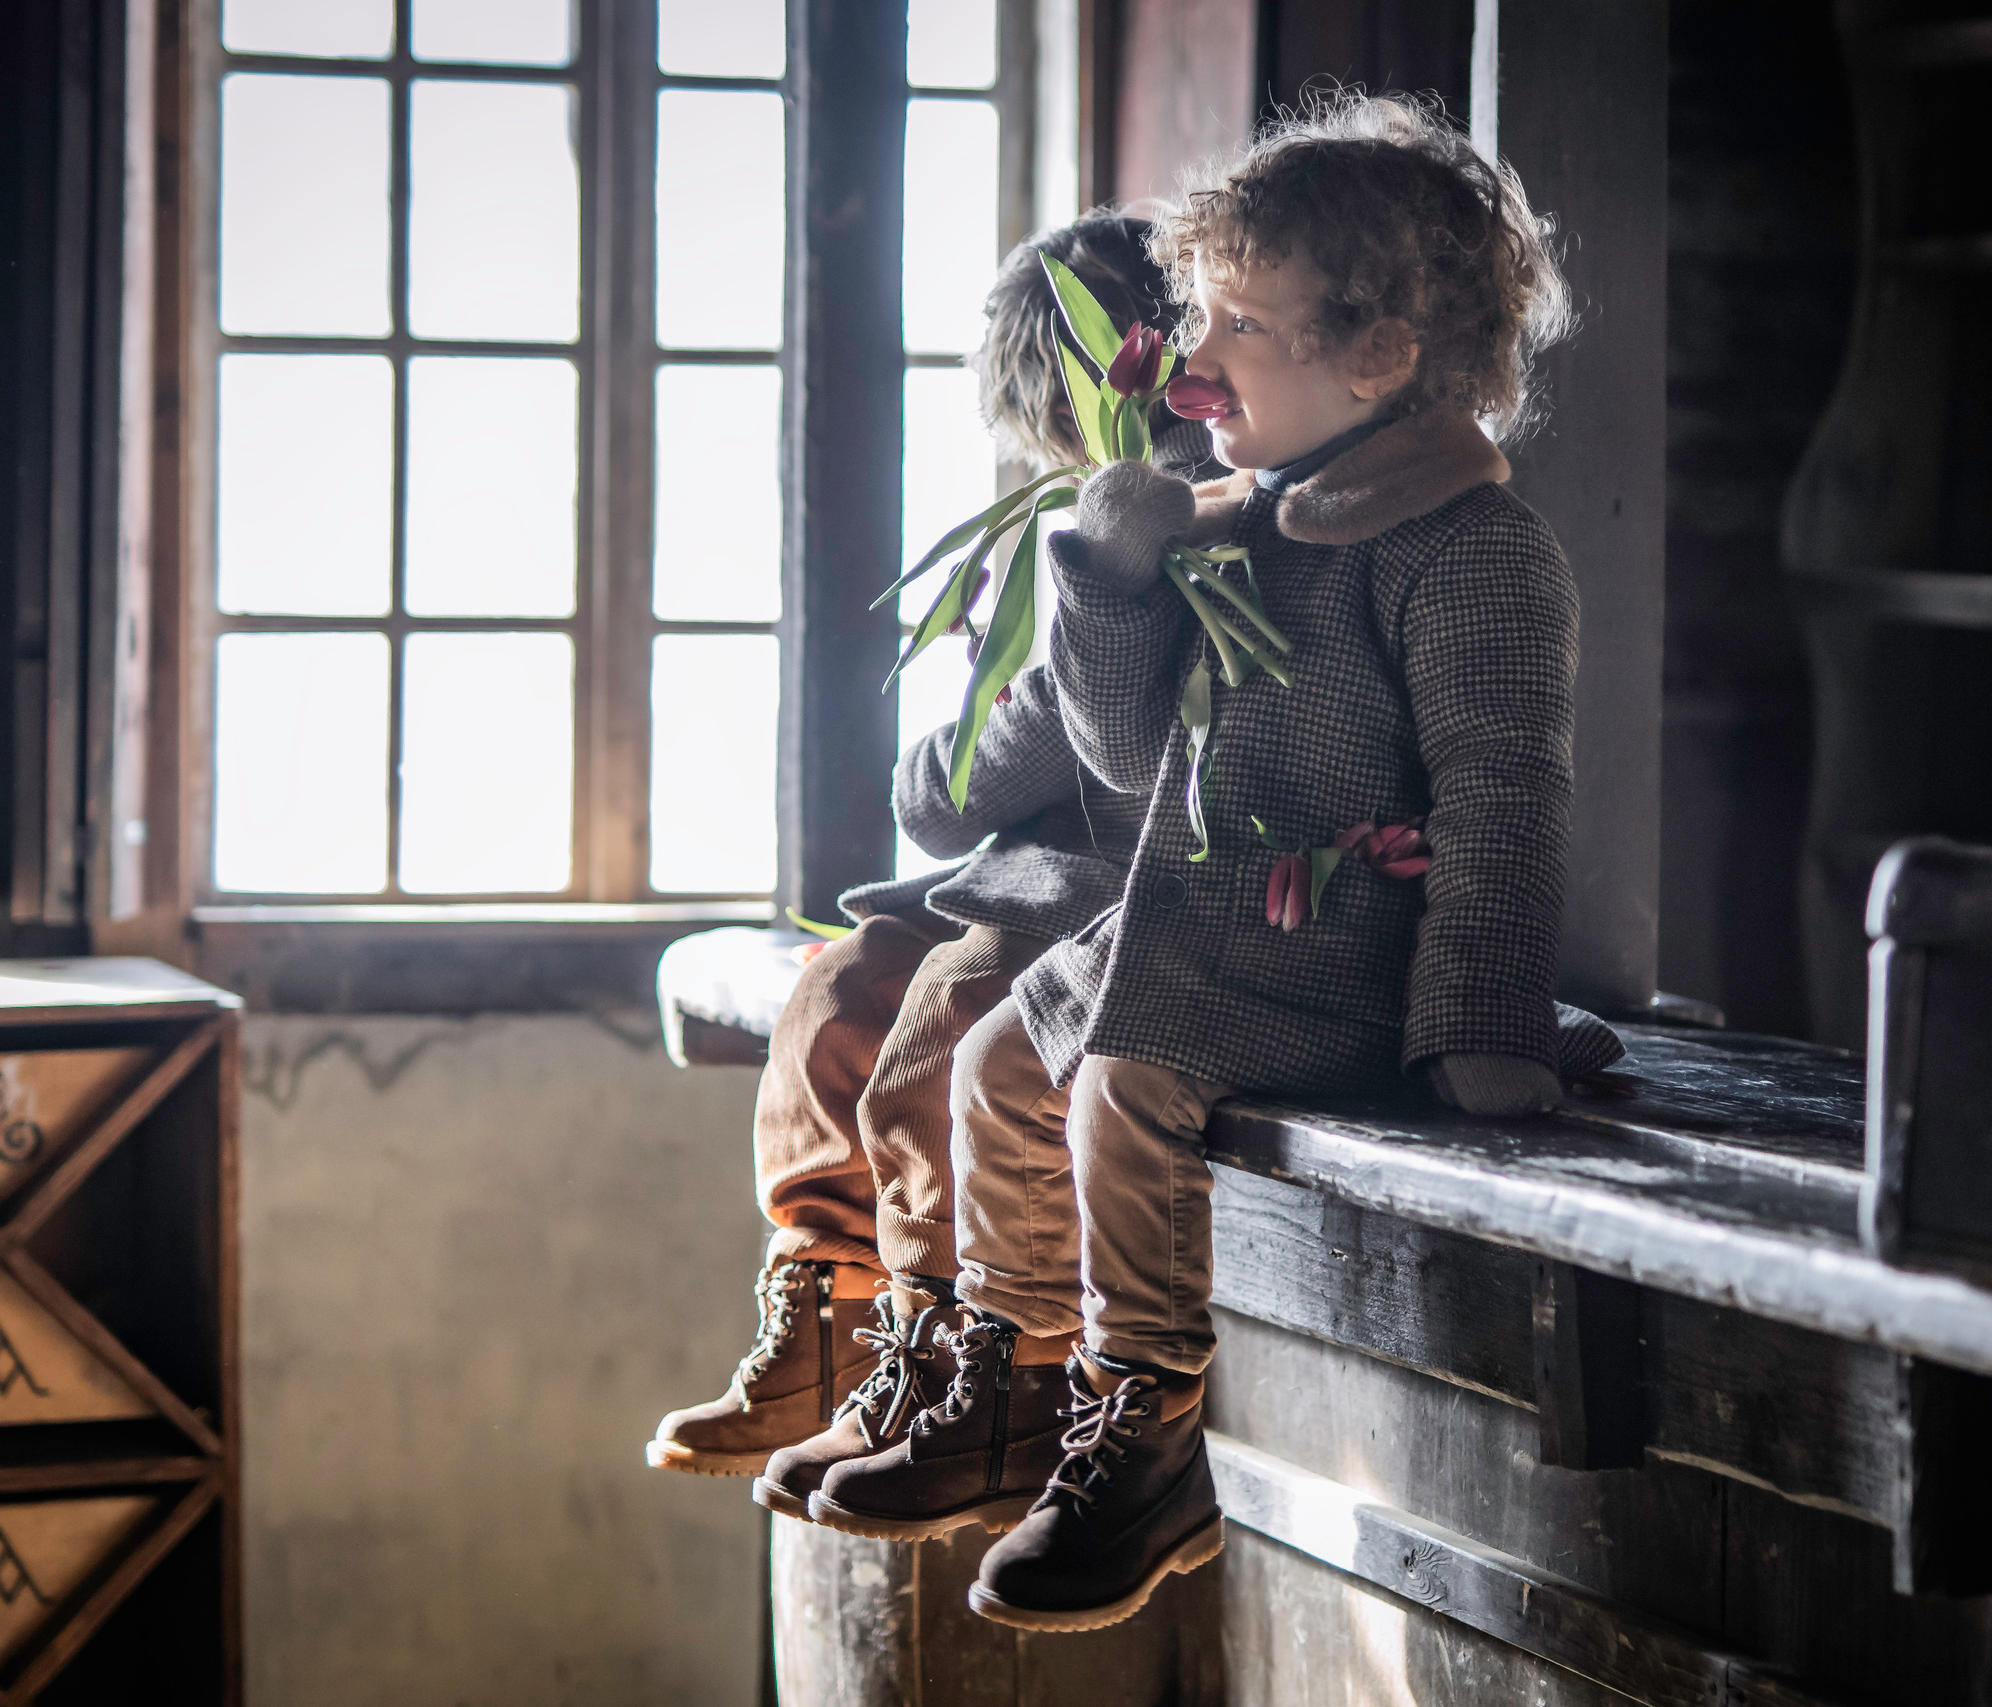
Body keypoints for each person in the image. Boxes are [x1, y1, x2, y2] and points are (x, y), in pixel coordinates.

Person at [808, 94, 1624, 1630]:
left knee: (1120, 1085)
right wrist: (1111, 574)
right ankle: (1028, 1391)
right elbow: (1123, 757)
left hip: (1344, 962)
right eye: (1201, 317)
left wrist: (1482, 1035)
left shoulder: (1477, 555)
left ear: (1375, 358)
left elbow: (1505, 801)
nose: (1192, 367)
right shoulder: (1247, 527)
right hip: (1201, 938)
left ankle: (1151, 1423)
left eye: (1239, 325)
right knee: (992, 1066)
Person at [647, 218, 1225, 1526]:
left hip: (1135, 885)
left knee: (941, 1030)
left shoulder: (1166, 510)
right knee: (837, 991)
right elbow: (961, 787)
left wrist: (1006, 689)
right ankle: (835, 1320)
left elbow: (982, 775)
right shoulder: (1078, 519)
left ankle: (981, 1359)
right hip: (1042, 873)